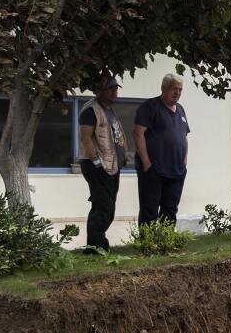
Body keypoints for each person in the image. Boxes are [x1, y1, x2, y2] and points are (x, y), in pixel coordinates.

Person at [78, 77, 128, 251]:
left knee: (108, 207)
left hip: (112, 166)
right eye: (111, 89)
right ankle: (95, 247)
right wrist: (97, 161)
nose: (115, 92)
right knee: (103, 207)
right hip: (98, 166)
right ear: (101, 91)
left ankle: (98, 244)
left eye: (116, 88)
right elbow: (85, 137)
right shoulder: (91, 110)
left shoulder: (108, 110)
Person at [134, 74, 190, 226]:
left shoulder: (180, 110)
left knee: (170, 209)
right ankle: (148, 244)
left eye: (180, 89)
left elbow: (183, 135)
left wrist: (184, 160)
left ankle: (166, 243)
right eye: (174, 89)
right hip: (154, 170)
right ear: (164, 88)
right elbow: (138, 134)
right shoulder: (150, 107)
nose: (177, 93)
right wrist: (146, 163)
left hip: (176, 170)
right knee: (149, 209)